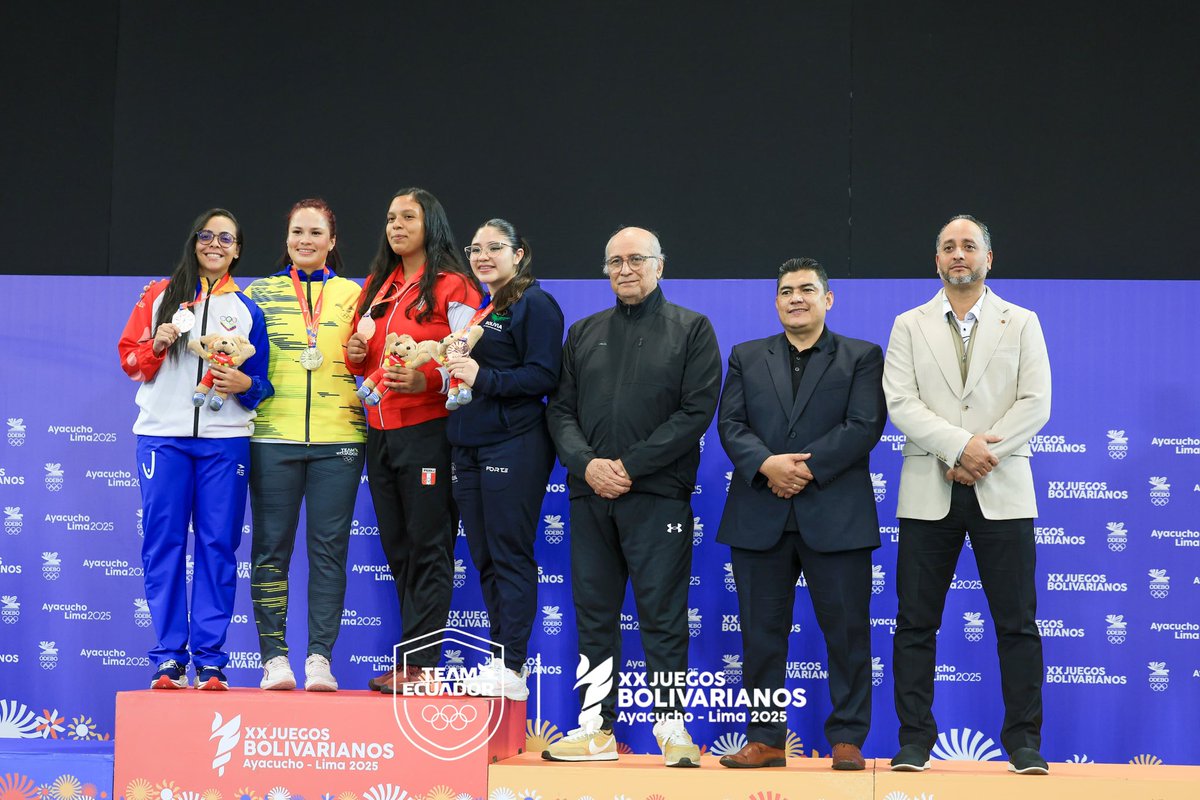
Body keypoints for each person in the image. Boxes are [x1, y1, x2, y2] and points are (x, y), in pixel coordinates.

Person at [544, 226, 721, 767]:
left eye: (636, 259)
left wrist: (629, 466)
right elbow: (560, 411)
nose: (625, 269)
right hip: (590, 495)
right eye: (615, 261)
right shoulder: (583, 332)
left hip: (658, 496)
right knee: (594, 615)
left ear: (659, 266)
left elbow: (695, 412)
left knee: (662, 616)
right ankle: (595, 729)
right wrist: (588, 465)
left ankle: (671, 728)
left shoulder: (692, 328)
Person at [883, 215, 1052, 775]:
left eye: (969, 246)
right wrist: (960, 448)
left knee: (1017, 623)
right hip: (929, 489)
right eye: (949, 247)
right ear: (937, 260)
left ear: (988, 258)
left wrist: (983, 455)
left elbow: (1036, 402)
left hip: (1002, 487)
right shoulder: (909, 324)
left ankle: (1023, 743)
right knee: (915, 623)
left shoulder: (1021, 321)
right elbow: (901, 402)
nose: (959, 254)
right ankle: (914, 741)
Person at [716, 258, 885, 771]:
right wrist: (768, 465)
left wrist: (804, 470)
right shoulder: (746, 356)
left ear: (827, 299)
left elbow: (863, 425)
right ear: (776, 302)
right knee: (760, 637)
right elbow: (731, 424)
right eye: (786, 290)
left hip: (837, 516)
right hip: (759, 515)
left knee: (848, 634)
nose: (796, 298)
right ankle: (766, 738)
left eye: (807, 289)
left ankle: (847, 737)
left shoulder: (861, 356)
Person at [118, 208, 271, 690]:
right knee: (162, 545)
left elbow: (261, 384)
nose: (215, 244)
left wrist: (245, 383)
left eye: (226, 238)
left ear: (238, 250)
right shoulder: (158, 295)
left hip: (225, 442)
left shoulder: (247, 308)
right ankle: (168, 658)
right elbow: (130, 362)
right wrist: (156, 344)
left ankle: (210, 661)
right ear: (194, 241)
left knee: (217, 547)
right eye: (207, 235)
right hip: (163, 438)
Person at [345, 188, 483, 694]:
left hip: (429, 430)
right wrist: (356, 353)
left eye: (408, 217)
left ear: (432, 225)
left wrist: (427, 380)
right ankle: (412, 657)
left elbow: (466, 357)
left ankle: (421, 665)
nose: (396, 226)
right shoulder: (377, 286)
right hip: (380, 432)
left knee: (429, 544)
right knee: (399, 546)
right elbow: (363, 359)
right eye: (390, 218)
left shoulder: (454, 285)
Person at [244, 199, 367, 692]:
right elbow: (243, 365)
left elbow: (370, 358)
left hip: (340, 438)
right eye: (298, 231)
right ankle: (274, 658)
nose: (305, 240)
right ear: (287, 238)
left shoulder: (356, 294)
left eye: (316, 232)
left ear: (332, 241)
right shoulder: (259, 293)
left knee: (329, 553)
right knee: (269, 550)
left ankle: (320, 658)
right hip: (273, 437)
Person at [445, 218, 564, 702]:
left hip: (513, 443)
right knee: (485, 556)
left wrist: (482, 377)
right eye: (475, 249)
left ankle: (513, 664)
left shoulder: (535, 303)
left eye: (495, 247)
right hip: (468, 445)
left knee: (510, 554)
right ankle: (500, 659)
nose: (483, 256)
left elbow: (544, 376)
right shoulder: (484, 307)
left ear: (519, 254)